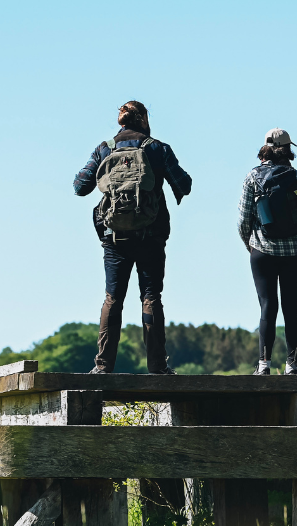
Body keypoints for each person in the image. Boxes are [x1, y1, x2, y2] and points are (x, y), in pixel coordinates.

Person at [73, 101, 192, 374]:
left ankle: (103, 366)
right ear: (143, 119)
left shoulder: (104, 148)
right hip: (151, 234)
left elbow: (80, 187)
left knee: (113, 298)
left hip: (114, 235)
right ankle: (157, 367)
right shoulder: (157, 148)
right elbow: (183, 185)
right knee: (151, 296)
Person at [238, 129, 297, 375]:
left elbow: (243, 219)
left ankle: (263, 365)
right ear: (288, 149)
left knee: (267, 306)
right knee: (292, 307)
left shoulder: (252, 177)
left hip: (262, 250)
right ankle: (291, 365)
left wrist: (250, 244)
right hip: (294, 252)